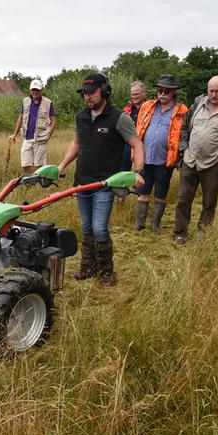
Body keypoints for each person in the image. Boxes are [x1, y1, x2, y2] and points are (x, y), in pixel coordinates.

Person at [57, 73, 145, 285]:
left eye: (91, 92)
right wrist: (61, 165)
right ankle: (87, 268)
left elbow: (137, 145)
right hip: (82, 182)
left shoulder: (118, 117)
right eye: (84, 93)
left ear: (104, 91)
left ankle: (106, 271)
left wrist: (138, 171)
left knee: (99, 228)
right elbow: (77, 144)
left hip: (105, 183)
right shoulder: (82, 116)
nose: (87, 97)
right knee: (86, 227)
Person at [172, 75, 218, 245]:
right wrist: (184, 149)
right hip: (190, 160)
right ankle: (180, 232)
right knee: (183, 198)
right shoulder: (197, 104)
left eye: (217, 91)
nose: (213, 94)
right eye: (210, 90)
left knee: (209, 201)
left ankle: (203, 234)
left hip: (213, 163)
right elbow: (184, 128)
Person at [133, 74, 188, 234]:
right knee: (142, 192)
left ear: (173, 92)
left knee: (160, 194)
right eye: (160, 90)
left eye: (167, 91)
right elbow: (138, 129)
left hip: (165, 160)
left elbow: (185, 133)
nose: (163, 93)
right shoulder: (148, 106)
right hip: (144, 159)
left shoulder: (182, 110)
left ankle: (155, 225)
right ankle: (139, 224)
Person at [9, 79, 57, 173]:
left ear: (41, 90)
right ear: (30, 90)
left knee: (40, 165)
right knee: (25, 164)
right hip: (26, 138)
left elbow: (54, 121)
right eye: (33, 90)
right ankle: (28, 185)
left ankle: (40, 185)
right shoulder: (25, 101)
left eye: (37, 90)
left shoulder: (47, 103)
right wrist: (14, 134)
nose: (35, 92)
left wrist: (48, 136)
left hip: (41, 138)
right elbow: (21, 118)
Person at [121, 81, 147, 172]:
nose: (134, 97)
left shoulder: (150, 109)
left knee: (142, 171)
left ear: (144, 94)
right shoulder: (127, 110)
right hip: (127, 144)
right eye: (132, 94)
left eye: (137, 94)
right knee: (123, 171)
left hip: (143, 144)